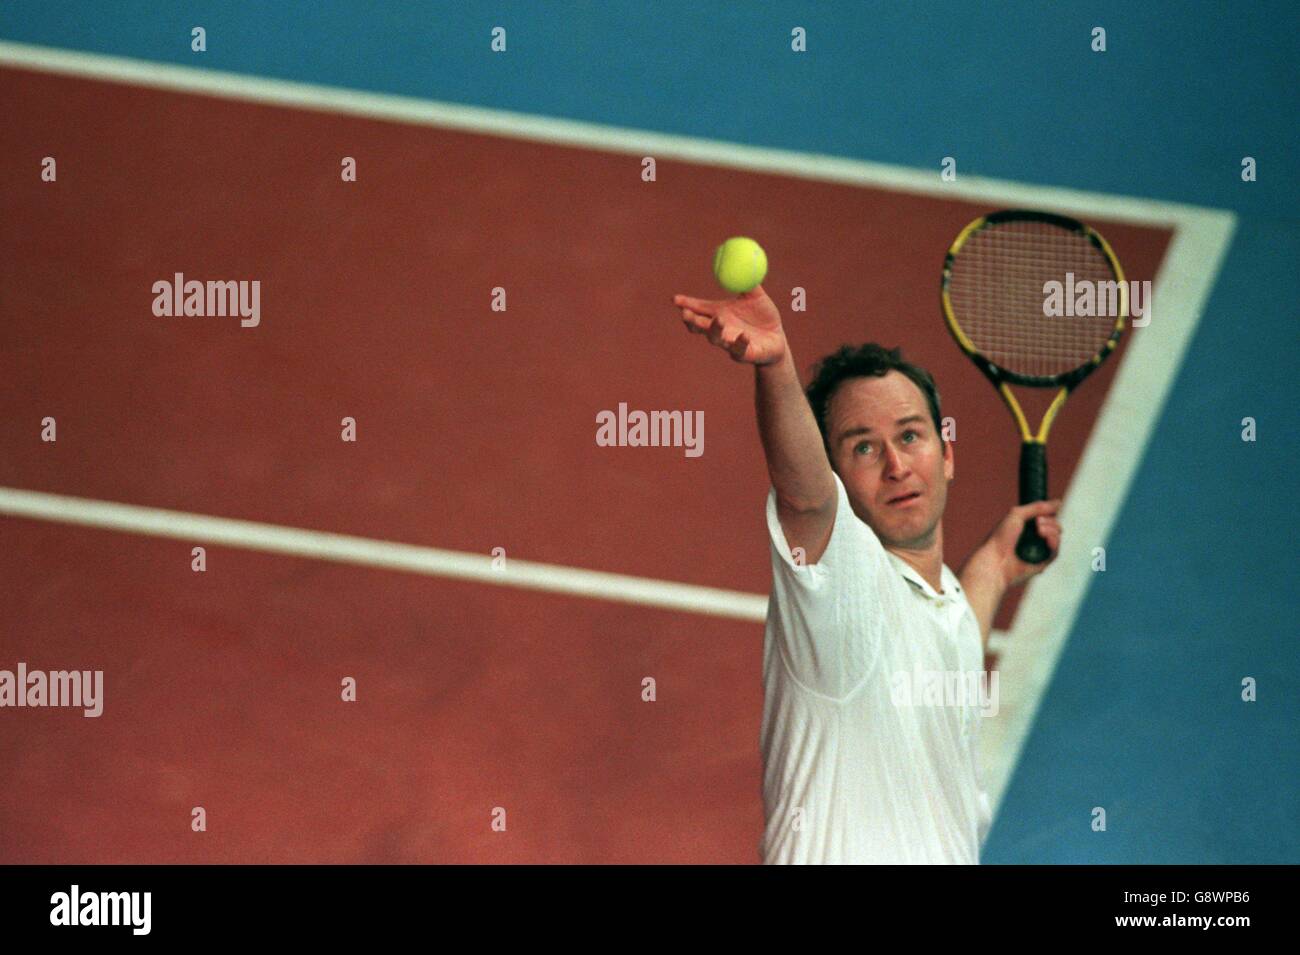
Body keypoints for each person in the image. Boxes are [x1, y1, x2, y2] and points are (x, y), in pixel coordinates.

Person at [671, 284, 1063, 864]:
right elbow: (806, 498)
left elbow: (950, 639)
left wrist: (995, 567)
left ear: (946, 452)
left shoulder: (943, 599)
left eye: (910, 436)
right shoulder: (838, 584)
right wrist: (775, 366)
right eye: (862, 448)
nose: (897, 466)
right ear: (836, 475)